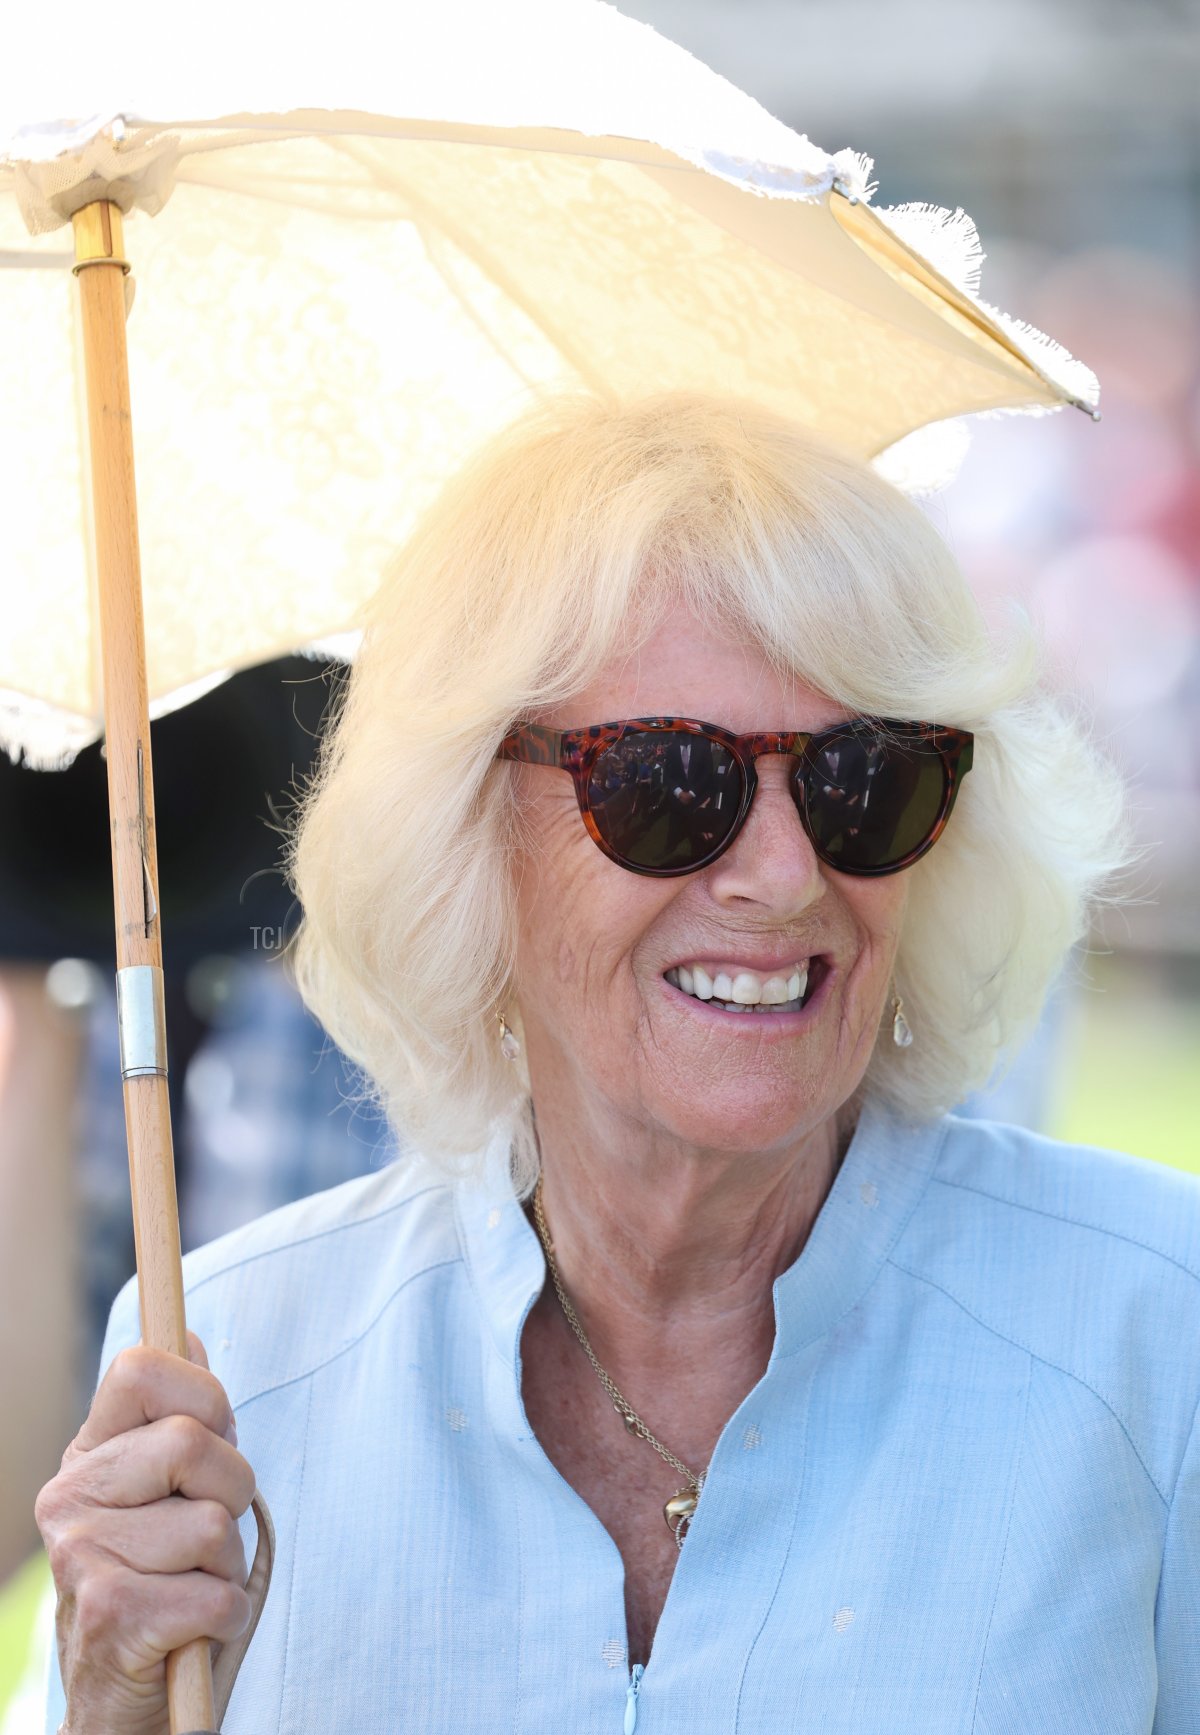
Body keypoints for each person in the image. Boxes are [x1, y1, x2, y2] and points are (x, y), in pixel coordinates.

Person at [37, 393, 1200, 1734]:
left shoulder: (1157, 1334)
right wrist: (115, 1710)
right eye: (668, 784)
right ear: (469, 829)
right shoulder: (224, 1366)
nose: (784, 877)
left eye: (864, 781)